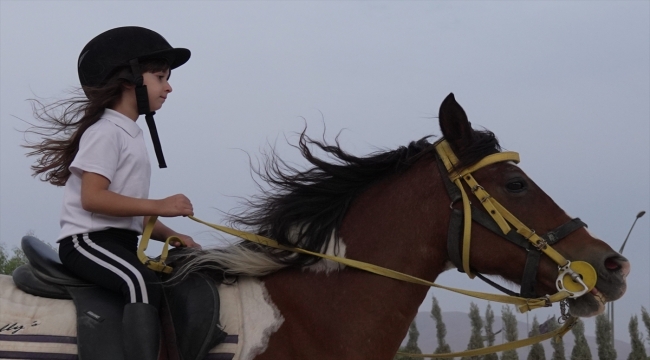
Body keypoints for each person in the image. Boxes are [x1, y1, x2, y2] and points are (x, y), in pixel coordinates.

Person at [23, 26, 201, 360]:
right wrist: (161, 204)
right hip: (87, 242)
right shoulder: (105, 132)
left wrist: (173, 235)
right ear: (128, 79)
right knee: (140, 283)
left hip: (120, 241)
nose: (169, 87)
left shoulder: (130, 134)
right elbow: (93, 198)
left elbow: (131, 210)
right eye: (161, 77)